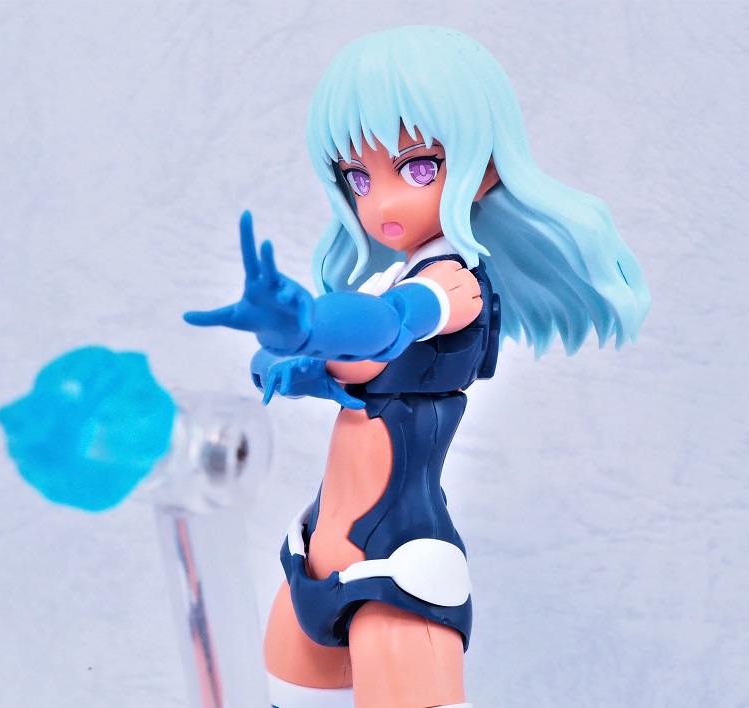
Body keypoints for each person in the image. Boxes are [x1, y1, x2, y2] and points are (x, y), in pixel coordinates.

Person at [185, 25, 650, 708]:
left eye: (418, 167)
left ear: (482, 169)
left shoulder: (455, 284)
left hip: (399, 566)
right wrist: (293, 359)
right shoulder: (387, 277)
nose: (381, 202)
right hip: (318, 549)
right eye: (358, 178)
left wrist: (308, 326)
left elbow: (388, 327)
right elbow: (355, 367)